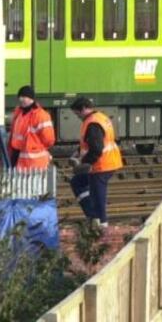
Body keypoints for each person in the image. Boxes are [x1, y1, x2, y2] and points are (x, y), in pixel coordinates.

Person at [68, 96, 124, 230]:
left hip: (102, 165)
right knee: (78, 182)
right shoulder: (98, 117)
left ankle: (101, 225)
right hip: (106, 162)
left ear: (83, 109)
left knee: (98, 196)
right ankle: (93, 217)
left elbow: (96, 149)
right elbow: (90, 143)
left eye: (77, 114)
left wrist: (82, 163)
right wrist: (77, 153)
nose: (77, 117)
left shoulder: (93, 124)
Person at [8, 85, 56, 170]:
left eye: (24, 97)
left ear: (31, 98)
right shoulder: (18, 112)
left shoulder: (41, 115)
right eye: (20, 97)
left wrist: (36, 147)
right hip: (19, 157)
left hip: (34, 161)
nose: (21, 99)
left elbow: (49, 139)